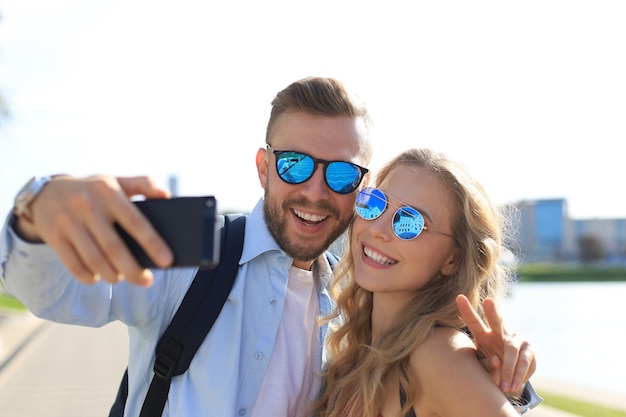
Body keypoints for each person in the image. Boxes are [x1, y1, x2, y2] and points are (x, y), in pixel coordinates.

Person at [0, 77, 537, 416]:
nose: (315, 190)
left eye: (344, 174)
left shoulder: (355, 295)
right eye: (295, 164)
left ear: (360, 186)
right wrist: (34, 208)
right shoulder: (189, 254)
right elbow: (53, 294)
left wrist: (509, 382)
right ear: (263, 168)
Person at [311, 148, 538, 417]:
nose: (378, 230)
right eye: (375, 203)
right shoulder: (357, 352)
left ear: (453, 258)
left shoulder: (439, 354)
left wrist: (508, 388)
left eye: (409, 221)